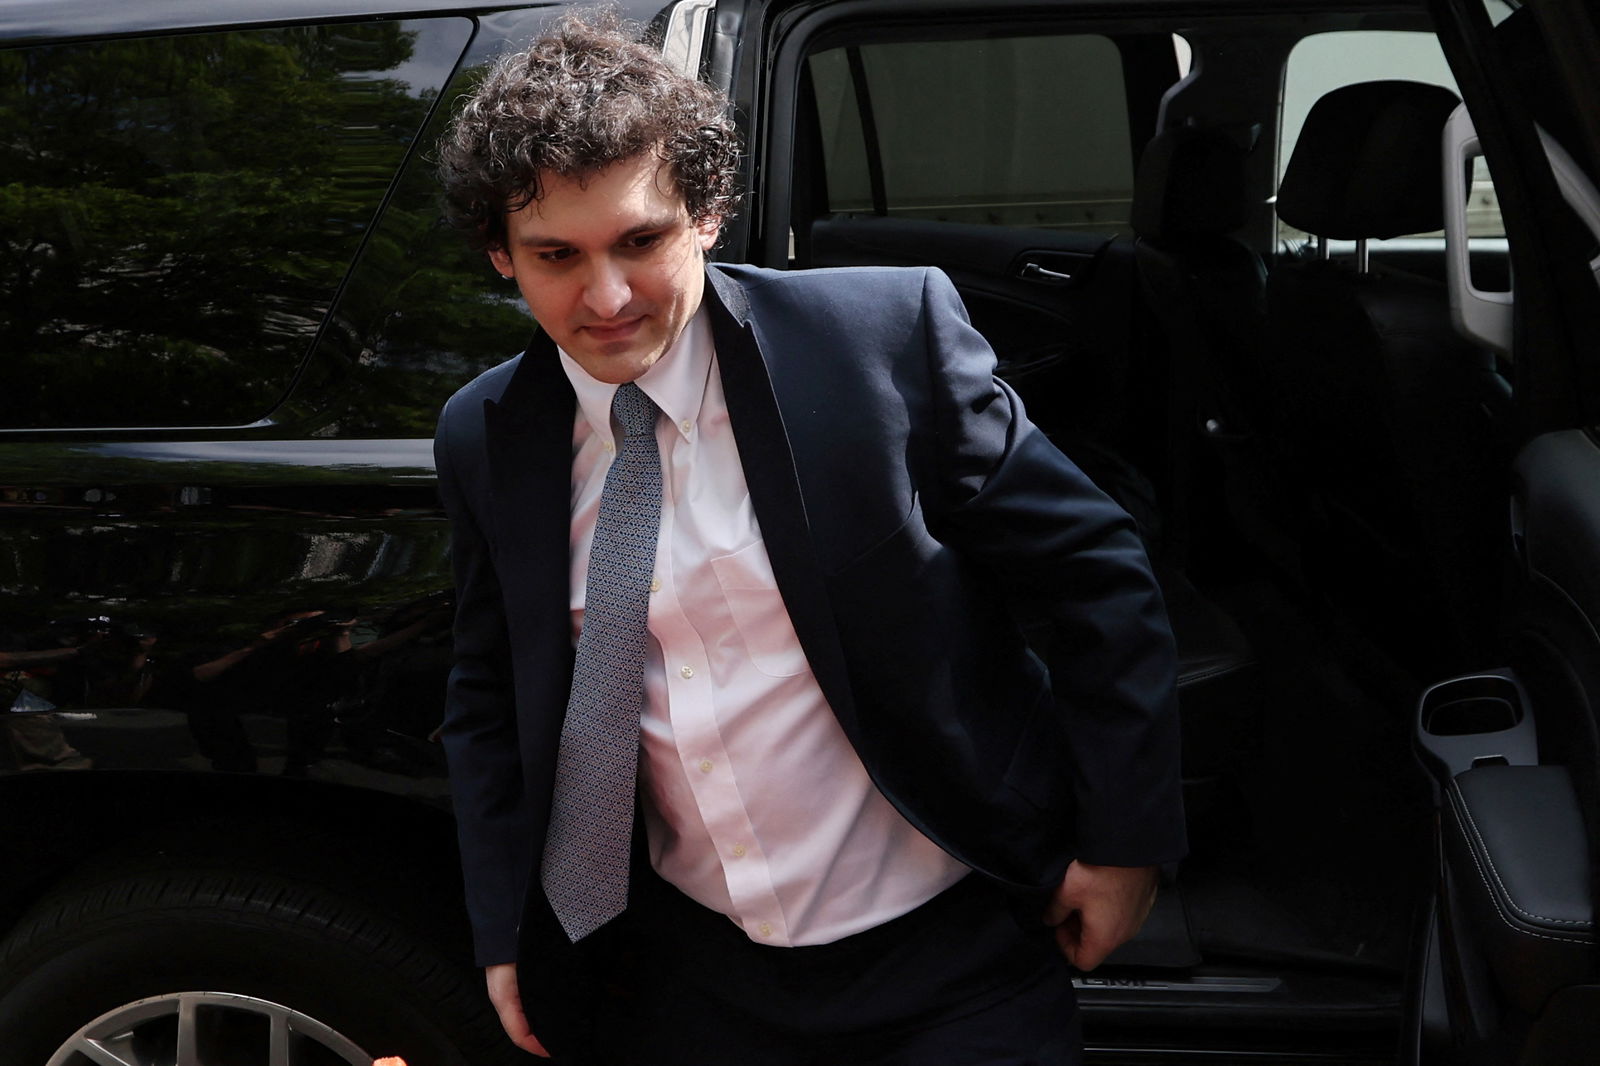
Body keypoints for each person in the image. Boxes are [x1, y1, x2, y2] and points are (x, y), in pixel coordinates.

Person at [433, 13, 1184, 1065]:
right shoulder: (484, 435)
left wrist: (1124, 842)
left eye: (638, 241)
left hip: (952, 956)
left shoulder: (876, 345)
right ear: (500, 257)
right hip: (688, 977)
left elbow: (1093, 577)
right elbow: (487, 692)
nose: (604, 297)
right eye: (556, 255)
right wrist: (504, 927)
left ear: (705, 215)